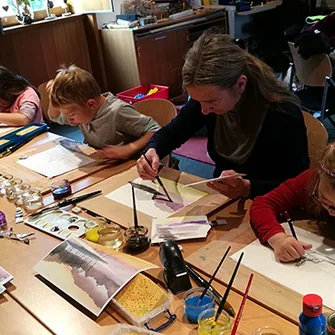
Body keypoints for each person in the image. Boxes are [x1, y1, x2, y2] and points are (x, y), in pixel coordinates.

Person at [137, 33, 309, 199]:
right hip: (225, 198)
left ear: (240, 84)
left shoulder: (282, 115)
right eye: (198, 101)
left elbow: (299, 185)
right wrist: (153, 150)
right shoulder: (206, 98)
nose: (203, 110)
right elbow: (171, 133)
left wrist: (249, 188)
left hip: (271, 204)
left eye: (212, 102)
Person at [49, 66, 160, 160]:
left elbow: (156, 130)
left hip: (134, 168)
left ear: (91, 104)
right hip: (106, 165)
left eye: (71, 115)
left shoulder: (118, 112)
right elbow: (54, 117)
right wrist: (53, 95)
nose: (69, 120)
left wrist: (129, 148)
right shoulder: (83, 112)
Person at [250, 143, 335, 263]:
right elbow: (263, 204)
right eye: (325, 200)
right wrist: (277, 238)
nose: (331, 213)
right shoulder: (308, 181)